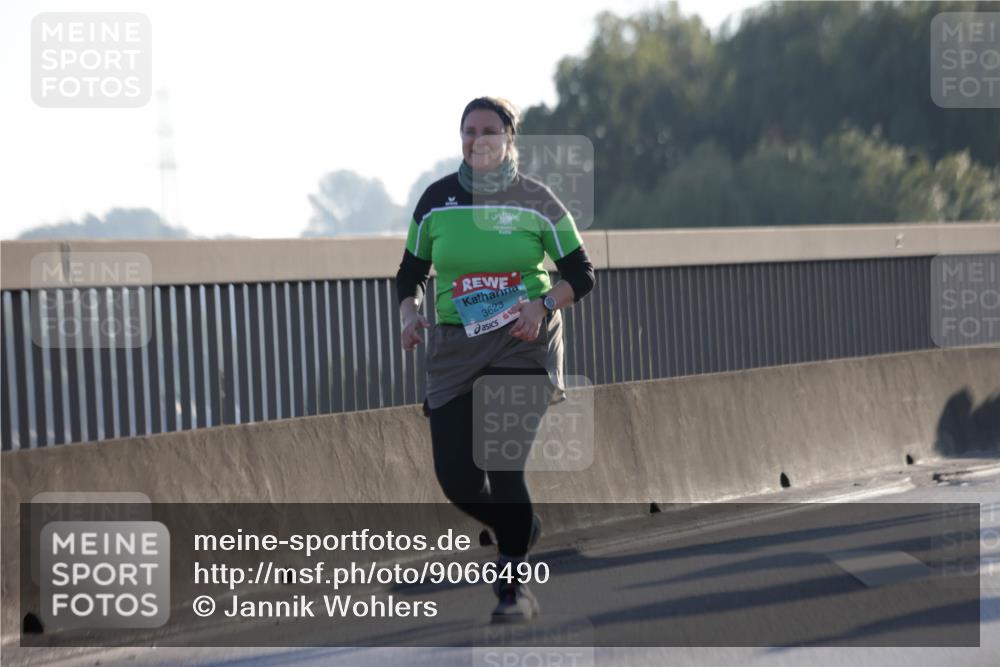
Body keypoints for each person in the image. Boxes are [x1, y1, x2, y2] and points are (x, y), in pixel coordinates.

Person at [395, 96, 595, 622]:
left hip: (521, 340)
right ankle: (518, 526)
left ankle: (513, 587)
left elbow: (582, 274)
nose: (477, 140)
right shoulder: (436, 202)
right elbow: (410, 273)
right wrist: (409, 313)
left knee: (503, 460)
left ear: (509, 139)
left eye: (489, 131)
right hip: (455, 347)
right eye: (469, 131)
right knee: (457, 479)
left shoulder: (537, 200)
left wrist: (543, 304)